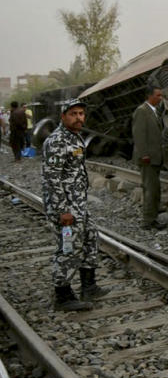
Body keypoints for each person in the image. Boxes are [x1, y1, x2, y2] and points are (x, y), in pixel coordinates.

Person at [42, 99, 109, 311]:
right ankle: (62, 295)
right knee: (68, 247)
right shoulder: (57, 141)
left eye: (81, 113)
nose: (79, 117)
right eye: (74, 114)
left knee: (90, 237)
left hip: (78, 204)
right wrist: (64, 210)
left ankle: (89, 286)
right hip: (66, 207)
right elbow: (52, 178)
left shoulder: (74, 137)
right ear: (63, 117)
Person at [132, 85, 166, 230]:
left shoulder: (155, 111)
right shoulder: (142, 111)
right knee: (150, 189)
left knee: (154, 189)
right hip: (148, 158)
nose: (160, 98)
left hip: (155, 157)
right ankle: (147, 221)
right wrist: (144, 154)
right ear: (149, 96)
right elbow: (139, 135)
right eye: (158, 95)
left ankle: (152, 218)